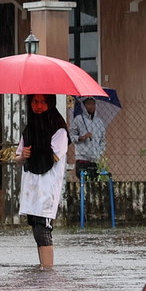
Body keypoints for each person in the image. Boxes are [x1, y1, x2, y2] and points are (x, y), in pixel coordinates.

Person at [14, 93, 69, 269]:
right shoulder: (30, 127)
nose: (39, 106)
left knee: (44, 227)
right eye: (35, 102)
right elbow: (18, 155)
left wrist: (35, 150)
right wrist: (23, 155)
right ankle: (43, 267)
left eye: (44, 102)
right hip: (31, 183)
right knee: (35, 225)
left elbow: (55, 155)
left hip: (48, 184)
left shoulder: (58, 128)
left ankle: (48, 270)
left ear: (50, 103)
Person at [70, 96, 107, 180]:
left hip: (95, 161)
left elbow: (103, 140)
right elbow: (72, 136)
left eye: (93, 104)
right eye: (88, 104)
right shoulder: (78, 120)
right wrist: (82, 137)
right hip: (82, 160)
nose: (91, 106)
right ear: (83, 105)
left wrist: (99, 153)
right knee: (84, 184)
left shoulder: (99, 122)